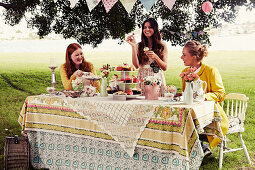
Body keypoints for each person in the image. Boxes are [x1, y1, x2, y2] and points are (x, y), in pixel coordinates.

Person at [180, 40, 229, 155]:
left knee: (186, 122)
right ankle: (196, 149)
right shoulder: (184, 72)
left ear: (194, 57)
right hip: (191, 112)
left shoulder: (211, 71)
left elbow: (221, 94)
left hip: (210, 113)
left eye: (184, 54)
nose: (181, 57)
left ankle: (201, 148)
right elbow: (184, 93)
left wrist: (203, 97)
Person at [126, 18, 168, 96]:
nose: (147, 29)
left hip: (156, 77)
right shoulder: (139, 45)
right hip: (142, 77)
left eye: (150, 27)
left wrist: (155, 57)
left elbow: (164, 67)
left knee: (157, 103)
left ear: (155, 29)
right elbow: (136, 65)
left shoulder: (162, 45)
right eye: (145, 27)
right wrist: (133, 47)